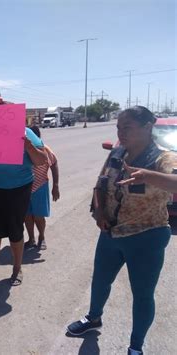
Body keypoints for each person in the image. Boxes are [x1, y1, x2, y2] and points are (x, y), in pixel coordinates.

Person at [66, 106, 177, 355]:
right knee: (100, 281)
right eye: (118, 127)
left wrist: (148, 176)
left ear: (148, 127)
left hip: (146, 236)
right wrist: (99, 213)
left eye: (127, 127)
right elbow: (100, 184)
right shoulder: (117, 153)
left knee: (142, 294)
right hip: (111, 233)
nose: (121, 132)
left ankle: (136, 347)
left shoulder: (163, 158)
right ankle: (94, 319)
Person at [0, 128, 47, 288]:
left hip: (17, 189)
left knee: (15, 231)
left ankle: (17, 269)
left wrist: (28, 147)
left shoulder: (27, 134)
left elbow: (42, 160)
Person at [24, 125, 60, 250]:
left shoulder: (44, 149)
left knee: (39, 216)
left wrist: (55, 185)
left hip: (40, 186)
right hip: (24, 187)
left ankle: (41, 237)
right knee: (27, 216)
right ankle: (31, 238)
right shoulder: (22, 149)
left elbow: (54, 165)